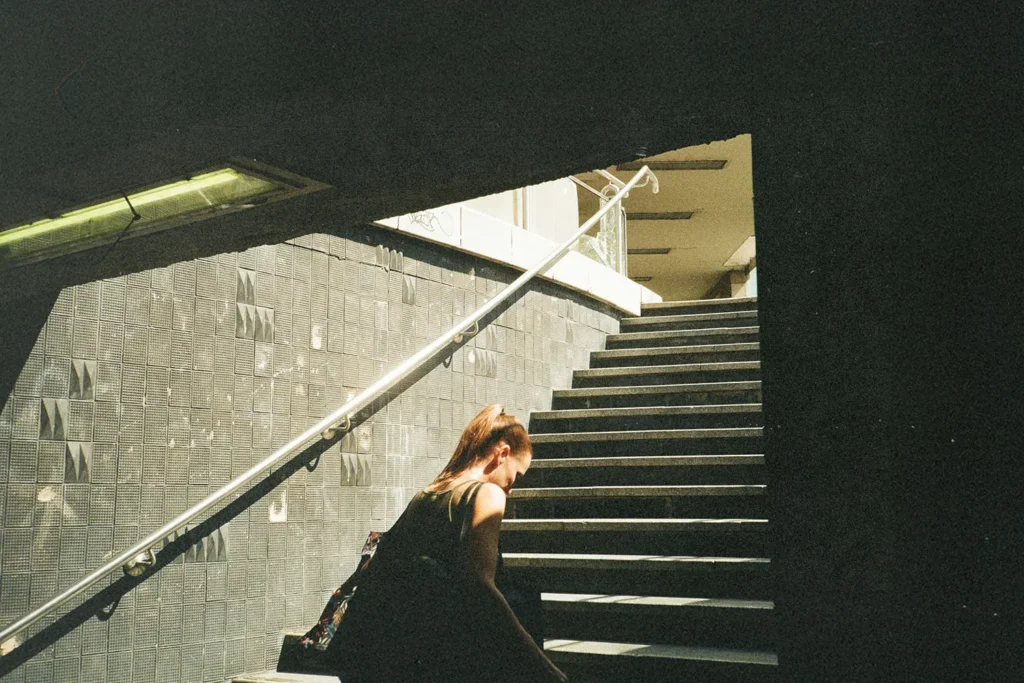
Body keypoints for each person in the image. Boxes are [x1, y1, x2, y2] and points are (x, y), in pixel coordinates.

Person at [329, 404, 569, 683]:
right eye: (515, 476)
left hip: (407, 652)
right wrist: (541, 664)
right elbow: (481, 587)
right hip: (454, 656)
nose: (511, 488)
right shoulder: (487, 494)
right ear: (502, 454)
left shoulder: (429, 492)